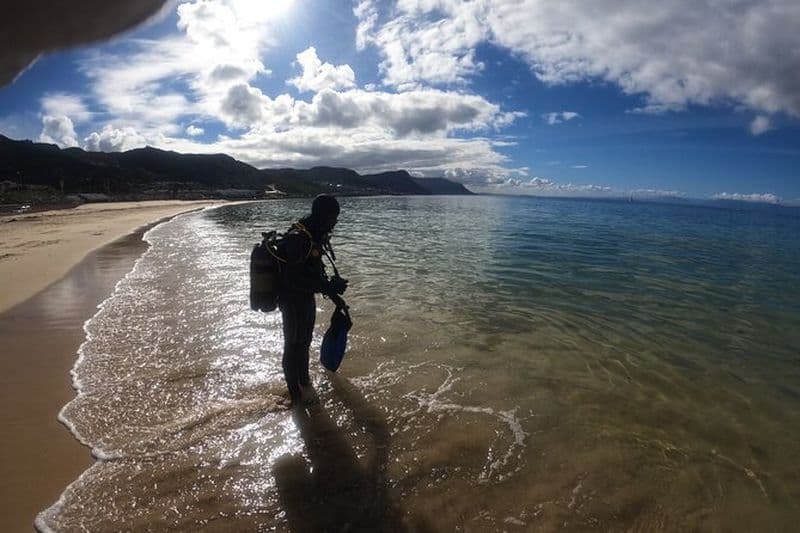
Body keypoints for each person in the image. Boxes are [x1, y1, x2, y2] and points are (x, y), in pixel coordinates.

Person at [278, 194, 348, 405]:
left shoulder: (312, 235)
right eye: (333, 218)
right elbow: (292, 278)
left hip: (304, 297)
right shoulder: (299, 238)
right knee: (294, 345)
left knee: (304, 342)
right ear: (323, 216)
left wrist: (335, 297)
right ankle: (296, 398)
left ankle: (305, 384)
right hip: (291, 299)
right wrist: (328, 287)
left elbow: (313, 274)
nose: (335, 223)